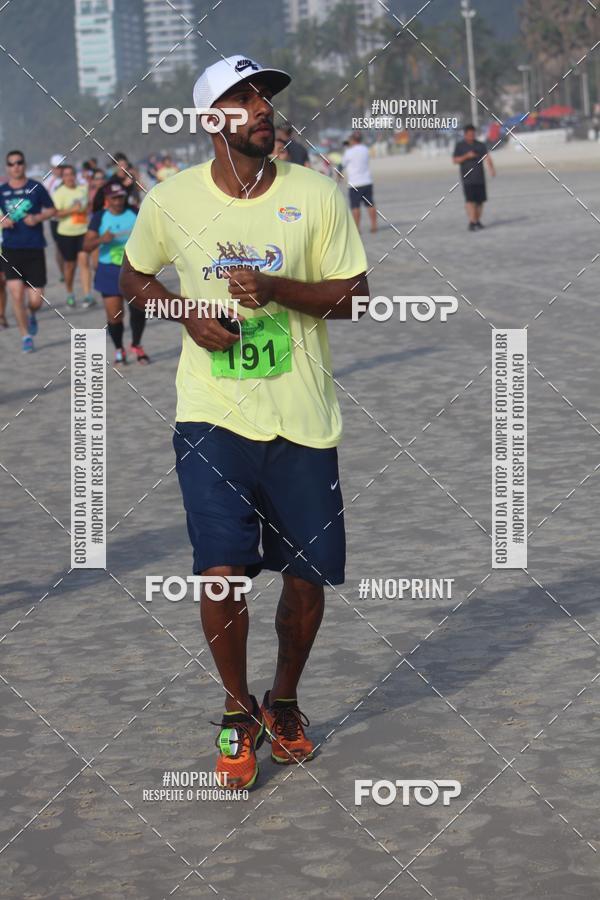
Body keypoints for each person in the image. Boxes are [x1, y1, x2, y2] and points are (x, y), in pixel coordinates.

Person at [121, 54, 369, 790]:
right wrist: (184, 312)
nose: (262, 107)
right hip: (212, 416)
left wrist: (277, 289)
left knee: (305, 579)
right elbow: (132, 276)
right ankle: (237, 712)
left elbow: (355, 296)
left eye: (265, 95)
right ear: (211, 122)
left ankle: (284, 703)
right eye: (242, 97)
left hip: (302, 417)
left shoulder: (317, 195)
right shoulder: (170, 201)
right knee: (221, 573)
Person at [84, 182, 149, 365]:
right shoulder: (99, 217)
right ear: (107, 200)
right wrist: (101, 239)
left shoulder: (134, 213)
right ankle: (119, 348)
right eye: (114, 198)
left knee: (138, 310)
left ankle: (136, 344)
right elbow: (86, 246)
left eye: (121, 197)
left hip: (134, 268)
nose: (118, 201)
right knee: (114, 315)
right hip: (109, 270)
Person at [0, 150, 56, 352]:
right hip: (11, 249)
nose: (16, 166)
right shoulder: (2, 190)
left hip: (34, 248)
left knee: (35, 299)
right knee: (16, 295)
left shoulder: (36, 188)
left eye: (19, 162)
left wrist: (37, 218)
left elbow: (52, 210)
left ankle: (32, 314)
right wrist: (2, 221)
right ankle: (25, 337)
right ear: (7, 167)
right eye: (12, 163)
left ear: (24, 164)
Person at [52, 164, 94, 308]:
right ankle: (70, 292)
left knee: (84, 262)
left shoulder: (82, 189)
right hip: (66, 233)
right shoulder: (59, 193)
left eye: (71, 174)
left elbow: (88, 205)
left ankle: (88, 295)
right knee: (70, 266)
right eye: (66, 175)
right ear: (62, 178)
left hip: (83, 231)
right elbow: (55, 213)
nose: (69, 177)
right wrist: (72, 210)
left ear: (75, 175)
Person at [452, 123, 496, 231]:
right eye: (470, 134)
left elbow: (487, 157)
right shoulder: (460, 146)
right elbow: (455, 160)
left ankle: (477, 220)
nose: (472, 136)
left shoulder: (480, 145)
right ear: (465, 135)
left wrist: (491, 169)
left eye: (473, 134)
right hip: (467, 178)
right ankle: (472, 222)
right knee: (470, 201)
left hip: (480, 177)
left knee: (480, 202)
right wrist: (466, 156)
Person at [342, 132, 377, 233]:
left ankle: (357, 228)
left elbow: (342, 165)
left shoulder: (349, 152)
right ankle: (374, 225)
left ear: (352, 140)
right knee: (370, 204)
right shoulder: (365, 149)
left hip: (354, 183)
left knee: (355, 206)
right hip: (367, 181)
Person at [46, 154, 65, 281]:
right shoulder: (48, 182)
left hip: (70, 218)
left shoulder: (70, 178)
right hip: (55, 220)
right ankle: (62, 272)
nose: (59, 169)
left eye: (61, 167)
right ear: (52, 168)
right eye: (57, 167)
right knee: (59, 246)